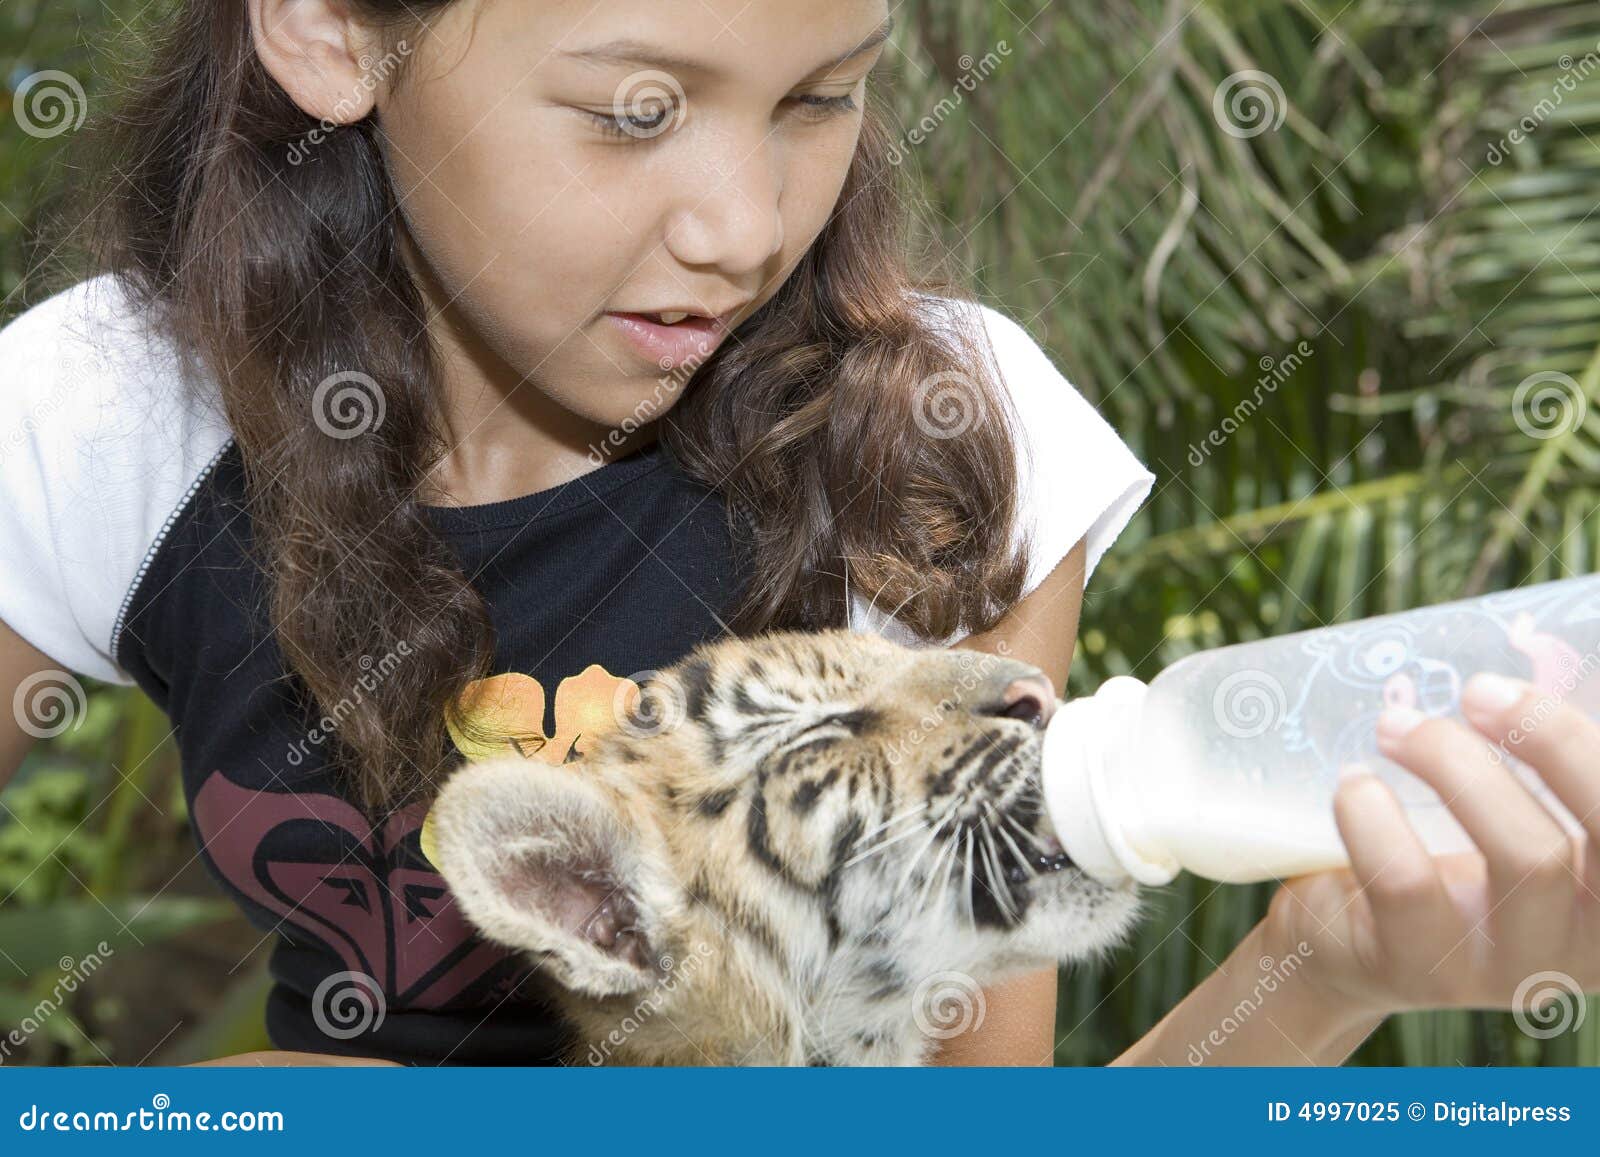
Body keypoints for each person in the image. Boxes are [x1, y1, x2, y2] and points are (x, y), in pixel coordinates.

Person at [0, 0, 1594, 1068]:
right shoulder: (103, 414)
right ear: (333, 29)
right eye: (634, 112)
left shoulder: (941, 450)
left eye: (825, 96)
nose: (744, 230)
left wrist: (1325, 970)